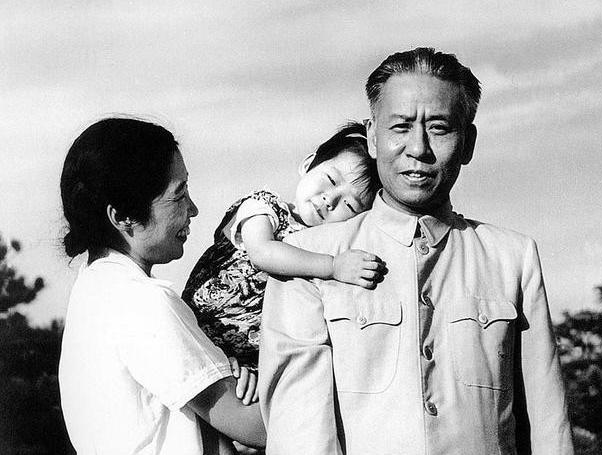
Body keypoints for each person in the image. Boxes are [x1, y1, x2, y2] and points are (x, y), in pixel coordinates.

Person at [258, 48, 573, 454]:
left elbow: (548, 424)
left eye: (439, 128)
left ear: (468, 143)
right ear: (373, 137)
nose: (418, 148)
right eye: (401, 127)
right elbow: (299, 433)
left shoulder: (513, 257)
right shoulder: (306, 257)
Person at [58, 118, 265, 455]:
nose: (193, 209)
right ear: (123, 217)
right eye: (178, 195)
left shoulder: (95, 287)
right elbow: (255, 426)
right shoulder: (141, 301)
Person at [182, 122, 385, 374]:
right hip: (198, 328)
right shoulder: (265, 207)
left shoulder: (327, 245)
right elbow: (262, 252)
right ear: (308, 164)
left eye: (349, 204)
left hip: (248, 362)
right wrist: (333, 266)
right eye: (331, 180)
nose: (330, 199)